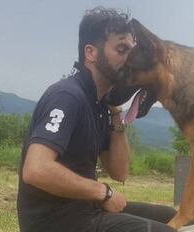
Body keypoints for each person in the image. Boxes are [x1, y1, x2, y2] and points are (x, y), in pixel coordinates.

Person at [17, 7, 176, 232]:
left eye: (131, 51)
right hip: (56, 222)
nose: (130, 59)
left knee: (174, 218)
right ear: (91, 53)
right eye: (121, 49)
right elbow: (36, 169)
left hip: (87, 210)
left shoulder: (100, 105)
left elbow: (120, 172)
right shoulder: (68, 96)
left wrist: (116, 114)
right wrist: (103, 192)